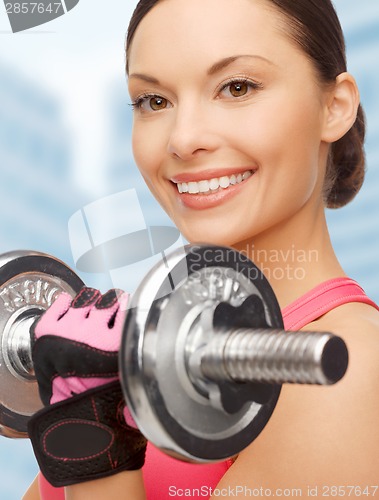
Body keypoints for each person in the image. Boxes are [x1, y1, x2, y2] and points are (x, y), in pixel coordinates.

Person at [24, 0, 379, 498]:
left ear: (334, 106)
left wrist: (95, 450)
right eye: (153, 101)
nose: (183, 139)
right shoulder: (139, 357)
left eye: (237, 88)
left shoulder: (345, 373)